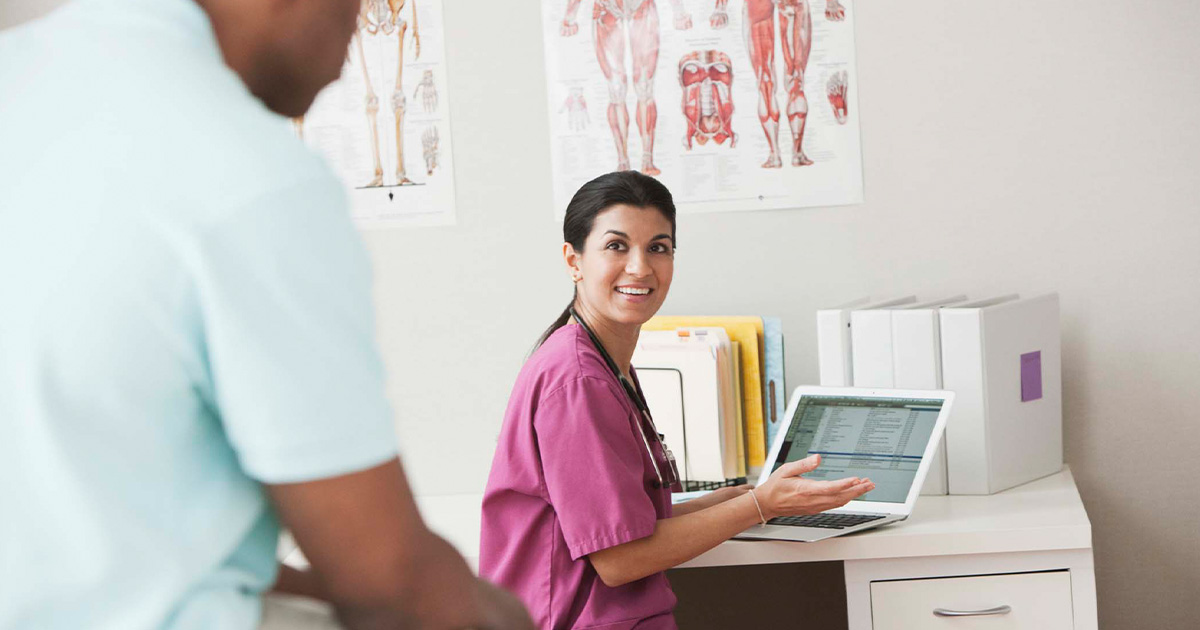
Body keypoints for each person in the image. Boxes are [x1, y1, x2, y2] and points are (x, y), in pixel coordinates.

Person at [0, 1, 531, 629]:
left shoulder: (24, 76)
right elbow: (390, 585)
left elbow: (108, 546)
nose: (360, 20)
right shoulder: (247, 173)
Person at [479, 171, 875, 629]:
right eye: (616, 246)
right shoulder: (578, 378)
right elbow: (620, 558)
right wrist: (762, 505)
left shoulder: (603, 360)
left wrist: (734, 500)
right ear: (574, 260)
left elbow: (626, 524)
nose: (640, 267)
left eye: (658, 247)